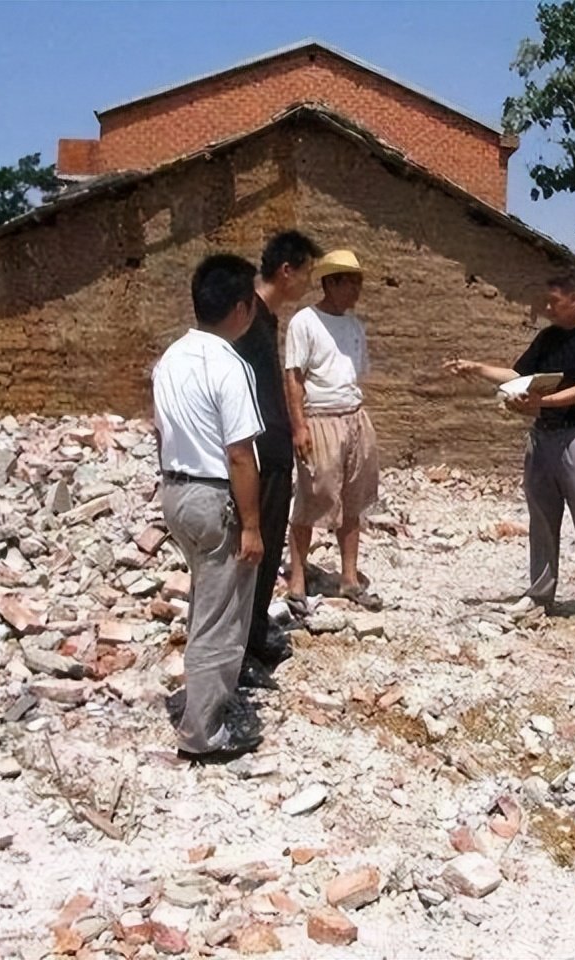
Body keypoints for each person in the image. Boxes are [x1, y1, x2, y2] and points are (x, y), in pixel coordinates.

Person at [443, 274, 575, 627]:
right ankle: (540, 592)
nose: (547, 308)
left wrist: (542, 403)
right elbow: (517, 374)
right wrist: (477, 368)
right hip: (543, 436)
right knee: (541, 516)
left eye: (554, 301)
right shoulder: (548, 338)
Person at [152, 254, 265, 763]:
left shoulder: (171, 358)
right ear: (241, 308)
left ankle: (202, 701)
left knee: (205, 600)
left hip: (175, 490)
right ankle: (204, 733)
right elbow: (240, 454)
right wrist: (254, 526)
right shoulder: (229, 365)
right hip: (215, 496)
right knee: (222, 616)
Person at [231, 230, 322, 690]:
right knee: (252, 553)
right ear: (287, 270)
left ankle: (253, 636)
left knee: (266, 553)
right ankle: (239, 650)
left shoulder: (266, 319)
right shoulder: (248, 317)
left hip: (272, 452)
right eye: (306, 272)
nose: (308, 282)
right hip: (258, 457)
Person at [284, 249, 382, 612]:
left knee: (354, 499)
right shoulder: (305, 322)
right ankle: (296, 579)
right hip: (320, 418)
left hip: (354, 416)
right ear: (332, 283)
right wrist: (299, 426)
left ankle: (349, 578)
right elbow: (293, 376)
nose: (357, 289)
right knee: (314, 496)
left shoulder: (355, 326)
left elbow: (355, 373)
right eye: (351, 282)